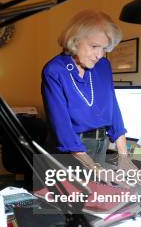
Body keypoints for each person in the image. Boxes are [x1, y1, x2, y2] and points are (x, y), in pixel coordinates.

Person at [41, 10, 136, 175]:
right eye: (94, 46)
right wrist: (96, 170)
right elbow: (63, 130)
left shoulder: (103, 66)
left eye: (104, 48)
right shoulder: (55, 71)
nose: (99, 55)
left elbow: (114, 111)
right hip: (70, 151)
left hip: (100, 144)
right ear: (75, 41)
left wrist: (124, 157)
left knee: (98, 196)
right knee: (73, 198)